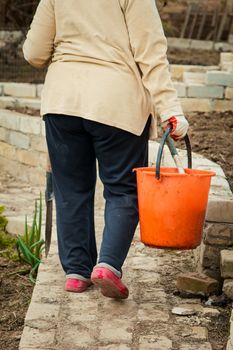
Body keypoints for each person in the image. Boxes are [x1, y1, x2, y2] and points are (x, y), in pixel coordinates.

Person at [23, 0, 189, 299]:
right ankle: (108, 266)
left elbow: (34, 53)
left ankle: (76, 272)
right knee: (123, 190)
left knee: (71, 189)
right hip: (116, 102)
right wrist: (170, 109)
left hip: (63, 102)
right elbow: (150, 51)